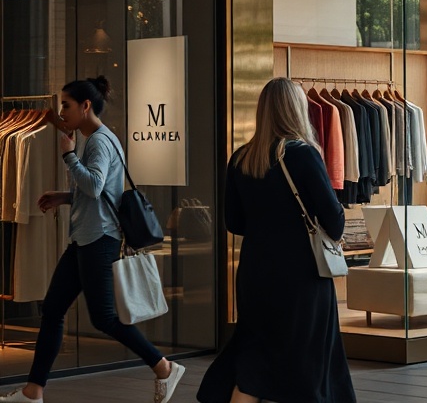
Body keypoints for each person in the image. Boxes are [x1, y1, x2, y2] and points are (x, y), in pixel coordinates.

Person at [0, 76, 186, 403]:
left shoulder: (98, 141)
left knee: (104, 318)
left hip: (98, 239)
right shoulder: (97, 138)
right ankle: (33, 391)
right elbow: (98, 191)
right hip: (86, 239)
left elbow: (96, 186)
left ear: (86, 106)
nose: (62, 111)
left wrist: (69, 156)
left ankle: (163, 367)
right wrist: (63, 196)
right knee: (54, 310)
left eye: (66, 105)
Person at [197, 78, 355, 403]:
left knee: (255, 358)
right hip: (303, 277)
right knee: (307, 361)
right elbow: (334, 225)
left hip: (255, 272)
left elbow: (234, 223)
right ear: (297, 109)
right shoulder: (304, 155)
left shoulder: (241, 158)